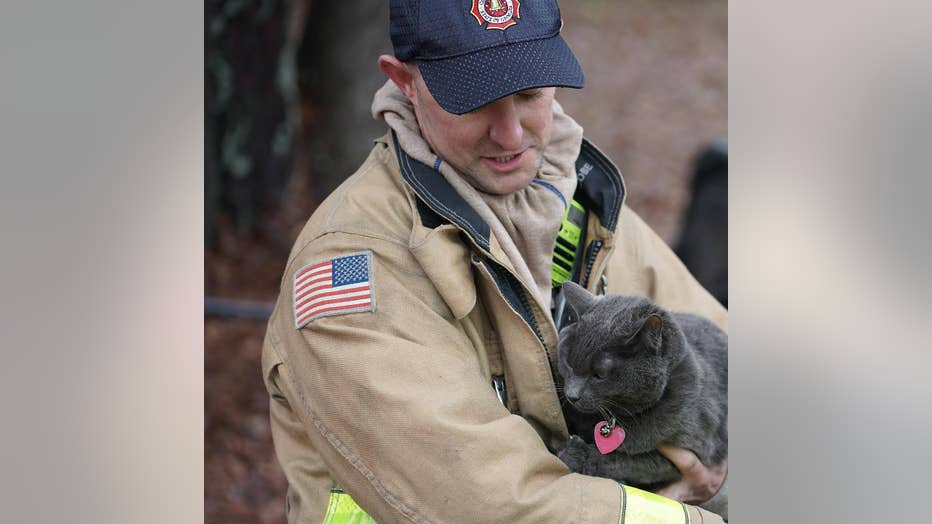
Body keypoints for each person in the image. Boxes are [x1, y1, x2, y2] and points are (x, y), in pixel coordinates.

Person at [261, 1, 728, 522]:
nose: (511, 135)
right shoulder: (352, 270)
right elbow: (489, 506)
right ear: (404, 81)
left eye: (529, 94)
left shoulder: (572, 199)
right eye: (474, 101)